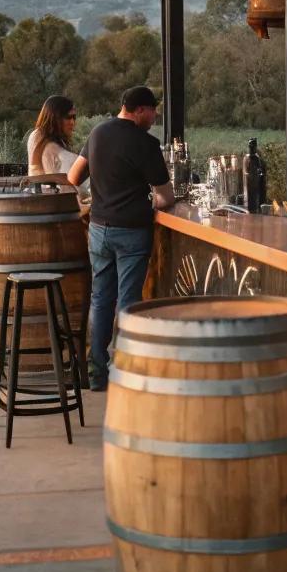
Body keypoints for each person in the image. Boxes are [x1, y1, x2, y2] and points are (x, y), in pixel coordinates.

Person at [68, 85, 175, 391]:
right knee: (128, 302)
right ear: (140, 110)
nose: (155, 117)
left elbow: (73, 177)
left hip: (99, 229)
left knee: (101, 300)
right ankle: (124, 371)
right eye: (153, 111)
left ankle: (97, 373)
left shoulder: (98, 133)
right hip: (131, 231)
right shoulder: (146, 143)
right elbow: (165, 197)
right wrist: (150, 201)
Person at [27, 95, 78, 178]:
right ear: (54, 117)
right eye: (68, 117)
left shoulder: (55, 140)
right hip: (48, 189)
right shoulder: (41, 138)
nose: (72, 122)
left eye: (74, 117)